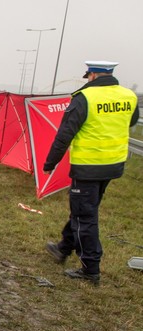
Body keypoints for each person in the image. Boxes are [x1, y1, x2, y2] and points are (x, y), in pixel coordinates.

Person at [43, 61, 138, 284]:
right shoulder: (128, 96)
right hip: (113, 165)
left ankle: (90, 269)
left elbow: (64, 135)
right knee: (84, 209)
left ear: (93, 75)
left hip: (88, 166)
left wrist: (50, 163)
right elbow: (131, 121)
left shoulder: (84, 98)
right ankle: (63, 248)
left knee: (85, 217)